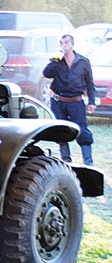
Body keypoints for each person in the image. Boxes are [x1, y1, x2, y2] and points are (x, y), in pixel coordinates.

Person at [42, 34, 95, 165]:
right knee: (61, 130)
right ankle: (66, 160)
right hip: (58, 101)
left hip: (76, 101)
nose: (63, 46)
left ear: (72, 44)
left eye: (66, 43)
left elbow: (90, 83)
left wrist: (91, 102)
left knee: (82, 130)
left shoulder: (83, 61)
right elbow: (46, 73)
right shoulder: (56, 61)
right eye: (61, 43)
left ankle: (88, 162)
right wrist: (55, 59)